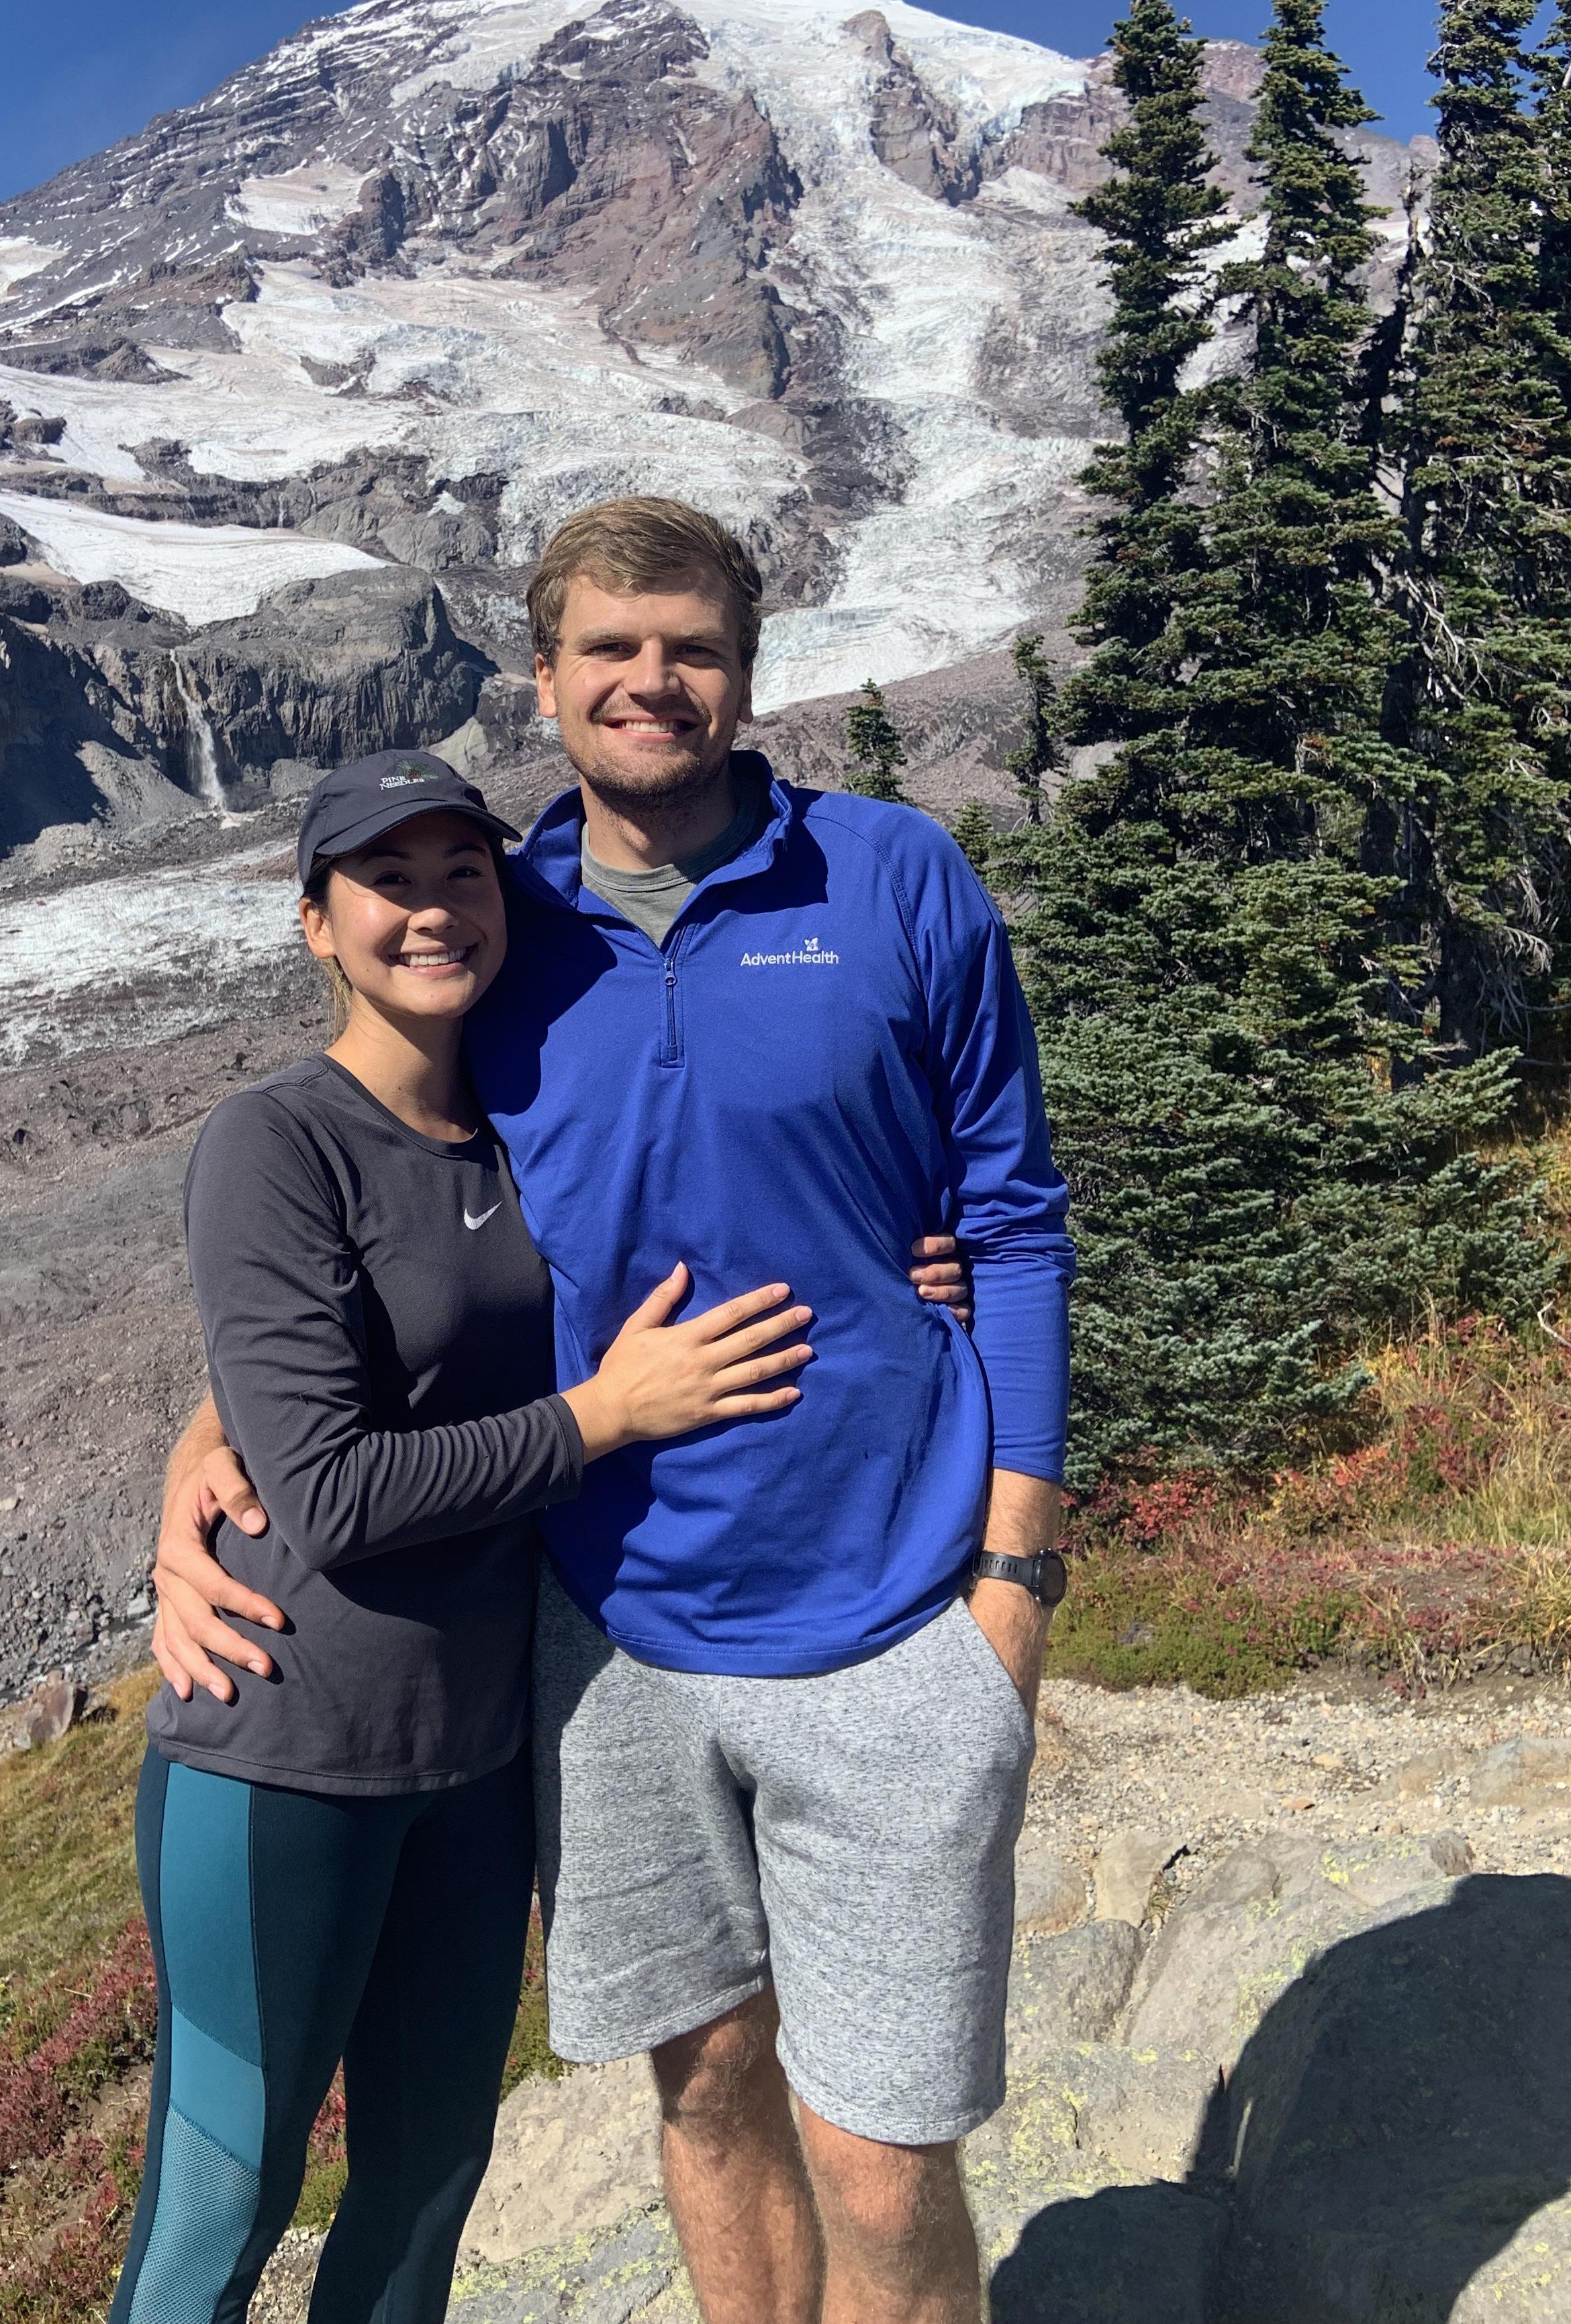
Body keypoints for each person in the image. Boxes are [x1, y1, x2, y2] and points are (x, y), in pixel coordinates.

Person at [158, 499, 1076, 2324]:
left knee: (889, 2168)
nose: (652, 681)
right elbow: (399, 1217)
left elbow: (1017, 1220)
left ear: (745, 671)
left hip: (896, 1612)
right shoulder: (502, 929)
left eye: (692, 648)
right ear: (547, 676)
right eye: (610, 649)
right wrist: (212, 1432)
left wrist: (1016, 1582)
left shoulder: (894, 880)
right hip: (606, 1638)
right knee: (706, 2089)